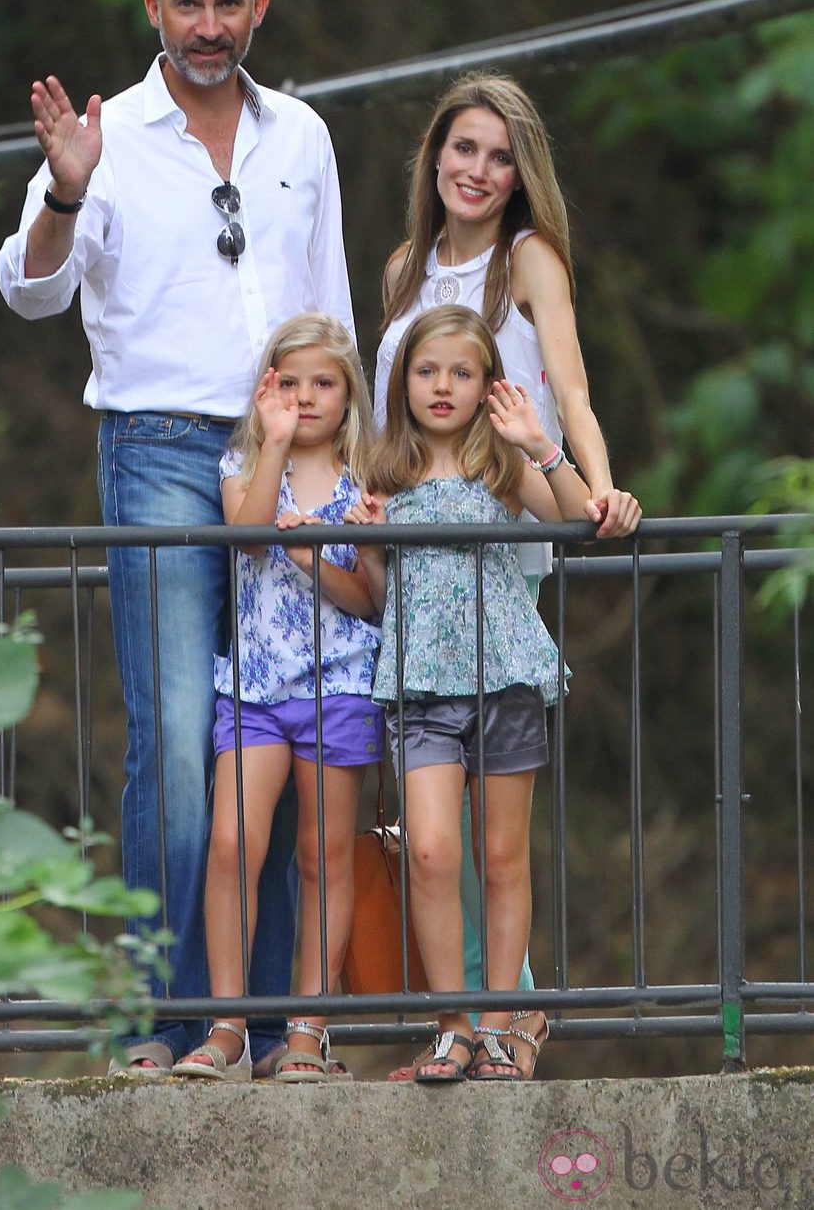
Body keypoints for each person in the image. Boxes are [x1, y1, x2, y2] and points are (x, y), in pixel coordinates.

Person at [0, 0, 356, 1076]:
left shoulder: (299, 131)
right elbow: (29, 291)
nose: (208, 26)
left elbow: (335, 310)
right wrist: (62, 191)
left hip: (289, 445)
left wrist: (353, 464)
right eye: (186, 4)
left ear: (262, 8)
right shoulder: (107, 136)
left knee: (285, 727)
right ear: (153, 8)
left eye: (228, 4)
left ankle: (264, 1026)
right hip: (153, 445)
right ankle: (167, 1019)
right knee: (178, 737)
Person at [374, 71, 641, 1077]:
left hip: (503, 518)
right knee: (431, 830)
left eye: (497, 155)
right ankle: (482, 1015)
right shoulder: (403, 265)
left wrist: (599, 490)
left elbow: (565, 380)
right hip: (411, 529)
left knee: (491, 815)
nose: (476, 170)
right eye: (461, 149)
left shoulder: (526, 256)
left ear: (518, 172)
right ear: (433, 156)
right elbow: (385, 403)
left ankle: (509, 1014)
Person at [350, 305, 599, 1080]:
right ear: (404, 384)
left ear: (487, 384)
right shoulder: (386, 470)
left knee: (501, 857)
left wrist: (543, 445)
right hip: (422, 682)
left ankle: (496, 1025)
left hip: (502, 675)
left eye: (461, 372)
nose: (443, 386)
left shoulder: (499, 461)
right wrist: (365, 540)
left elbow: (571, 519)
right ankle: (450, 1022)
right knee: (429, 849)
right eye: (428, 371)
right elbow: (383, 592)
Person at [170, 314, 381, 1083]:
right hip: (254, 685)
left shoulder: (370, 472)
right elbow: (248, 538)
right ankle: (228, 1025)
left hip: (340, 683)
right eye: (289, 383)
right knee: (231, 845)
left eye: (322, 383)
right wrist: (275, 444)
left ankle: (306, 1029)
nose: (306, 397)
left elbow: (371, 597)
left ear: (348, 390)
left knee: (322, 855)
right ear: (267, 390)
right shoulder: (244, 459)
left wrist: (315, 553)